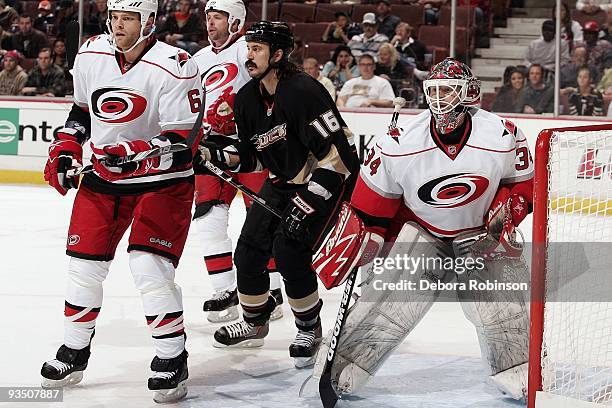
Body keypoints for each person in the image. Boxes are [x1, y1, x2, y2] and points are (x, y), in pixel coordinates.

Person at [313, 57, 533, 402]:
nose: (439, 98)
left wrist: (505, 214)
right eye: (434, 90)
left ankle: (518, 368)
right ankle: (345, 364)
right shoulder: (399, 141)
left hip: (480, 237)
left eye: (448, 90)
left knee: (502, 305)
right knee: (387, 302)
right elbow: (371, 208)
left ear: (468, 94)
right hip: (425, 234)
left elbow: (522, 186)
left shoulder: (502, 133)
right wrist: (368, 241)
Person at [39, 0, 203, 402]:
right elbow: (81, 110)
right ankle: (75, 349)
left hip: (161, 183)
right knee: (84, 266)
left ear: (148, 21)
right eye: (115, 16)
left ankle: (171, 356)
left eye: (128, 18)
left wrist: (138, 150)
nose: (119, 25)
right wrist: (66, 145)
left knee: (148, 267)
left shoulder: (176, 65)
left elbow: (184, 144)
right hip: (104, 178)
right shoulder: (91, 52)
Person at [194, 21, 359, 368]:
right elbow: (253, 156)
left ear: (278, 54)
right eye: (248, 48)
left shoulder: (303, 91)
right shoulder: (246, 99)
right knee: (249, 252)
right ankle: (255, 322)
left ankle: (309, 327)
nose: (248, 55)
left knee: (289, 248)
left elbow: (339, 156)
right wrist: (213, 155)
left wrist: (309, 200)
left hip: (326, 181)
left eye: (257, 49)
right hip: (281, 182)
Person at [192, 0, 284, 324]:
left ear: (235, 22)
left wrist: (236, 105)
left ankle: (272, 288)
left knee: (261, 218)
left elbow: (271, 86)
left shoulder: (250, 49)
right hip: (208, 148)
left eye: (218, 17)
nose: (211, 23)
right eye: (209, 17)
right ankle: (224, 289)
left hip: (250, 146)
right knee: (207, 220)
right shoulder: (197, 59)